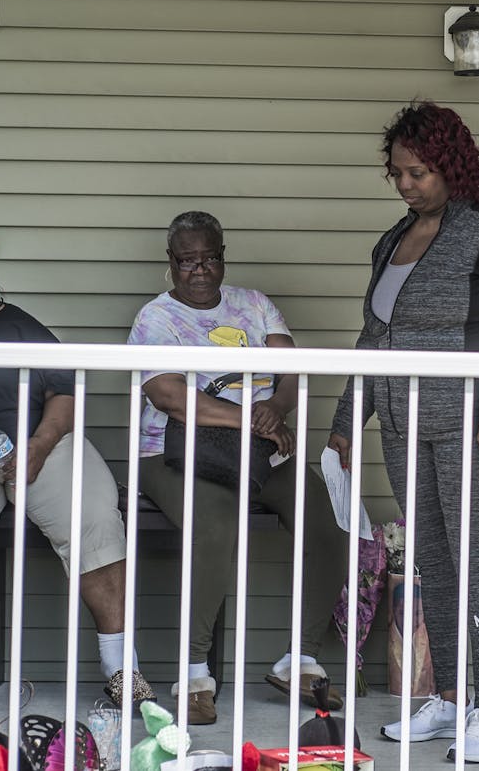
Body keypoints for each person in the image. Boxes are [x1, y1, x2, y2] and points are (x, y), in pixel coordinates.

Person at [328, 102, 479, 765]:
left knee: (477, 557)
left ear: (450, 164)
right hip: (403, 422)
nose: (405, 184)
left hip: (474, 424)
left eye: (417, 172)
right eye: (396, 173)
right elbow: (376, 337)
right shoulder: (393, 239)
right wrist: (345, 421)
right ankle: (449, 699)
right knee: (432, 562)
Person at [126, 210, 349, 725]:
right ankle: (195, 674)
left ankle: (302, 660)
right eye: (187, 260)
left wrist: (278, 408)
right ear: (171, 263)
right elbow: (169, 397)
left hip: (258, 447)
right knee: (216, 524)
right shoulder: (155, 319)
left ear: (222, 257)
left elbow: (289, 370)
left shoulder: (254, 305)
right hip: (173, 453)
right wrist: (252, 418)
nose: (199, 268)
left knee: (324, 521)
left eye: (209, 257)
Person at [0, 224, 157, 706]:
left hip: (37, 445)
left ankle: (121, 668)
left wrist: (39, 444)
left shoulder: (18, 323)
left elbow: (64, 391)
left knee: (94, 514)